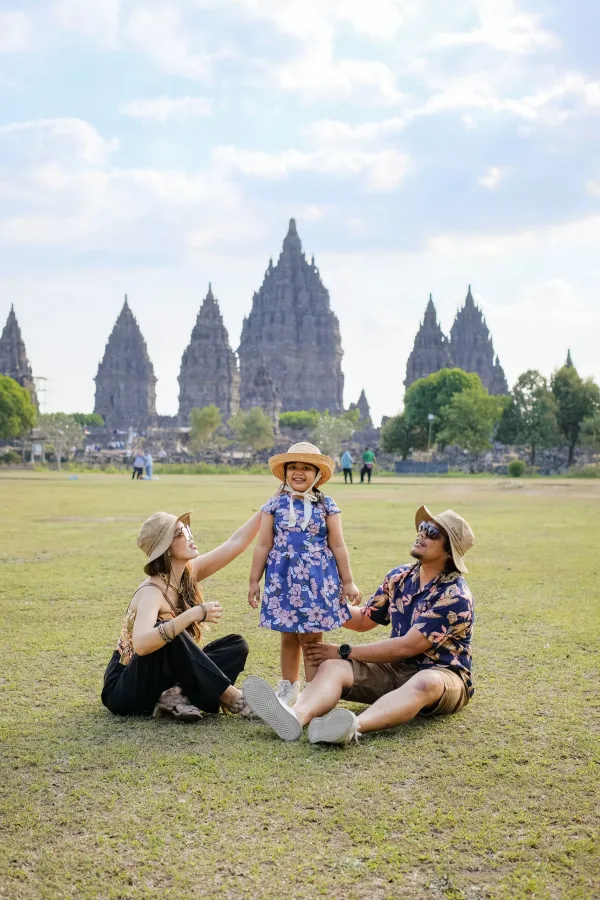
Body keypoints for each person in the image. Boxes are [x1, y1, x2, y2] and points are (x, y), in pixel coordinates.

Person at [243, 504, 475, 744]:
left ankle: (353, 727)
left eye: (433, 533)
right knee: (332, 667)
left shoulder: (454, 595)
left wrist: (344, 651)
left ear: (449, 551)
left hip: (444, 676)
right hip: (395, 670)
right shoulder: (400, 577)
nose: (422, 533)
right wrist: (318, 600)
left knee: (427, 680)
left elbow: (407, 646)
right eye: (423, 528)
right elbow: (365, 619)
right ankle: (295, 717)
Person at [102, 508, 262, 721]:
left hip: (162, 680)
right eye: (180, 534)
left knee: (235, 645)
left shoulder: (187, 574)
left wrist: (269, 508)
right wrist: (190, 615)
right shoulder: (151, 591)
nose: (189, 536)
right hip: (126, 687)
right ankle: (232, 697)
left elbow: (235, 543)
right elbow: (141, 645)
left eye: (186, 530)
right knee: (167, 630)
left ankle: (174, 696)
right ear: (165, 549)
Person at [248, 442, 362, 707]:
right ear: (285, 471)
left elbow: (338, 545)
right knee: (288, 636)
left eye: (306, 468)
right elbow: (263, 544)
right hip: (282, 579)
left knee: (312, 639)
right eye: (293, 467)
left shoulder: (327, 505)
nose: (299, 473)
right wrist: (254, 580)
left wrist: (348, 581)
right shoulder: (274, 505)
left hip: (316, 580)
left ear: (318, 474)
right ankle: (288, 689)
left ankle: (314, 693)